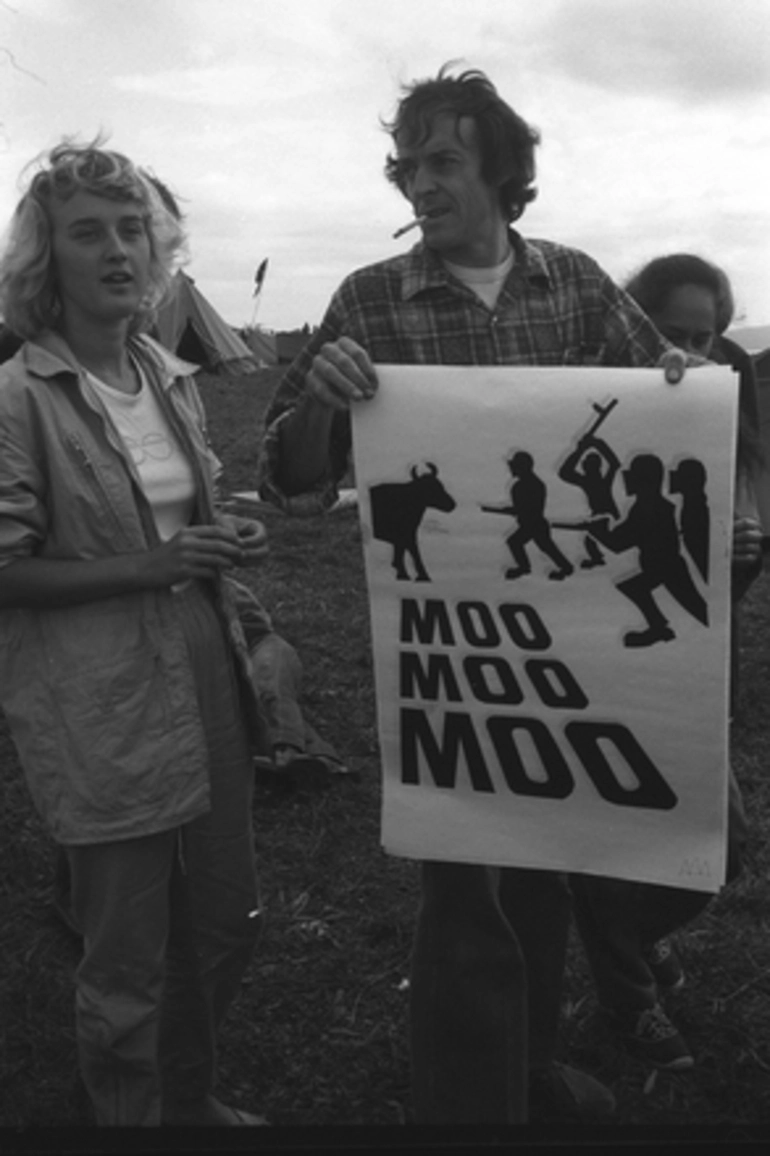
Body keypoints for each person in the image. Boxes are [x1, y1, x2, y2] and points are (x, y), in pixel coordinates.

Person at [256, 65, 690, 1124]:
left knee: (539, 864)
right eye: (405, 165)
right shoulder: (367, 297)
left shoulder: (579, 286)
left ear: (500, 170)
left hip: (575, 643)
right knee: (462, 881)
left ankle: (528, 1065)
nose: (417, 182)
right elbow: (293, 479)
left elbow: (665, 393)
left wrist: (680, 386)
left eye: (441, 160)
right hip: (450, 653)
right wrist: (321, 400)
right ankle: (466, 1106)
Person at [0, 140, 270, 1126]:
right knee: (125, 950)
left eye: (132, 230)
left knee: (225, 915)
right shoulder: (18, 397)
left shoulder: (167, 371)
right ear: (46, 260)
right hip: (97, 687)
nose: (118, 250)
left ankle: (191, 1096)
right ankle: (132, 1115)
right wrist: (149, 567)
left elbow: (182, 507)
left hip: (204, 656)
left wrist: (225, 530)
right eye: (88, 232)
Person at [570, 253, 764, 1070]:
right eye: (672, 332)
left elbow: (717, 591)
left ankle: (625, 946)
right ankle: (628, 997)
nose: (692, 351)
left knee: (722, 847)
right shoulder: (599, 425)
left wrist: (739, 555)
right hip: (602, 668)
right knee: (617, 839)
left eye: (706, 336)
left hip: (689, 666)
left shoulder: (733, 434)